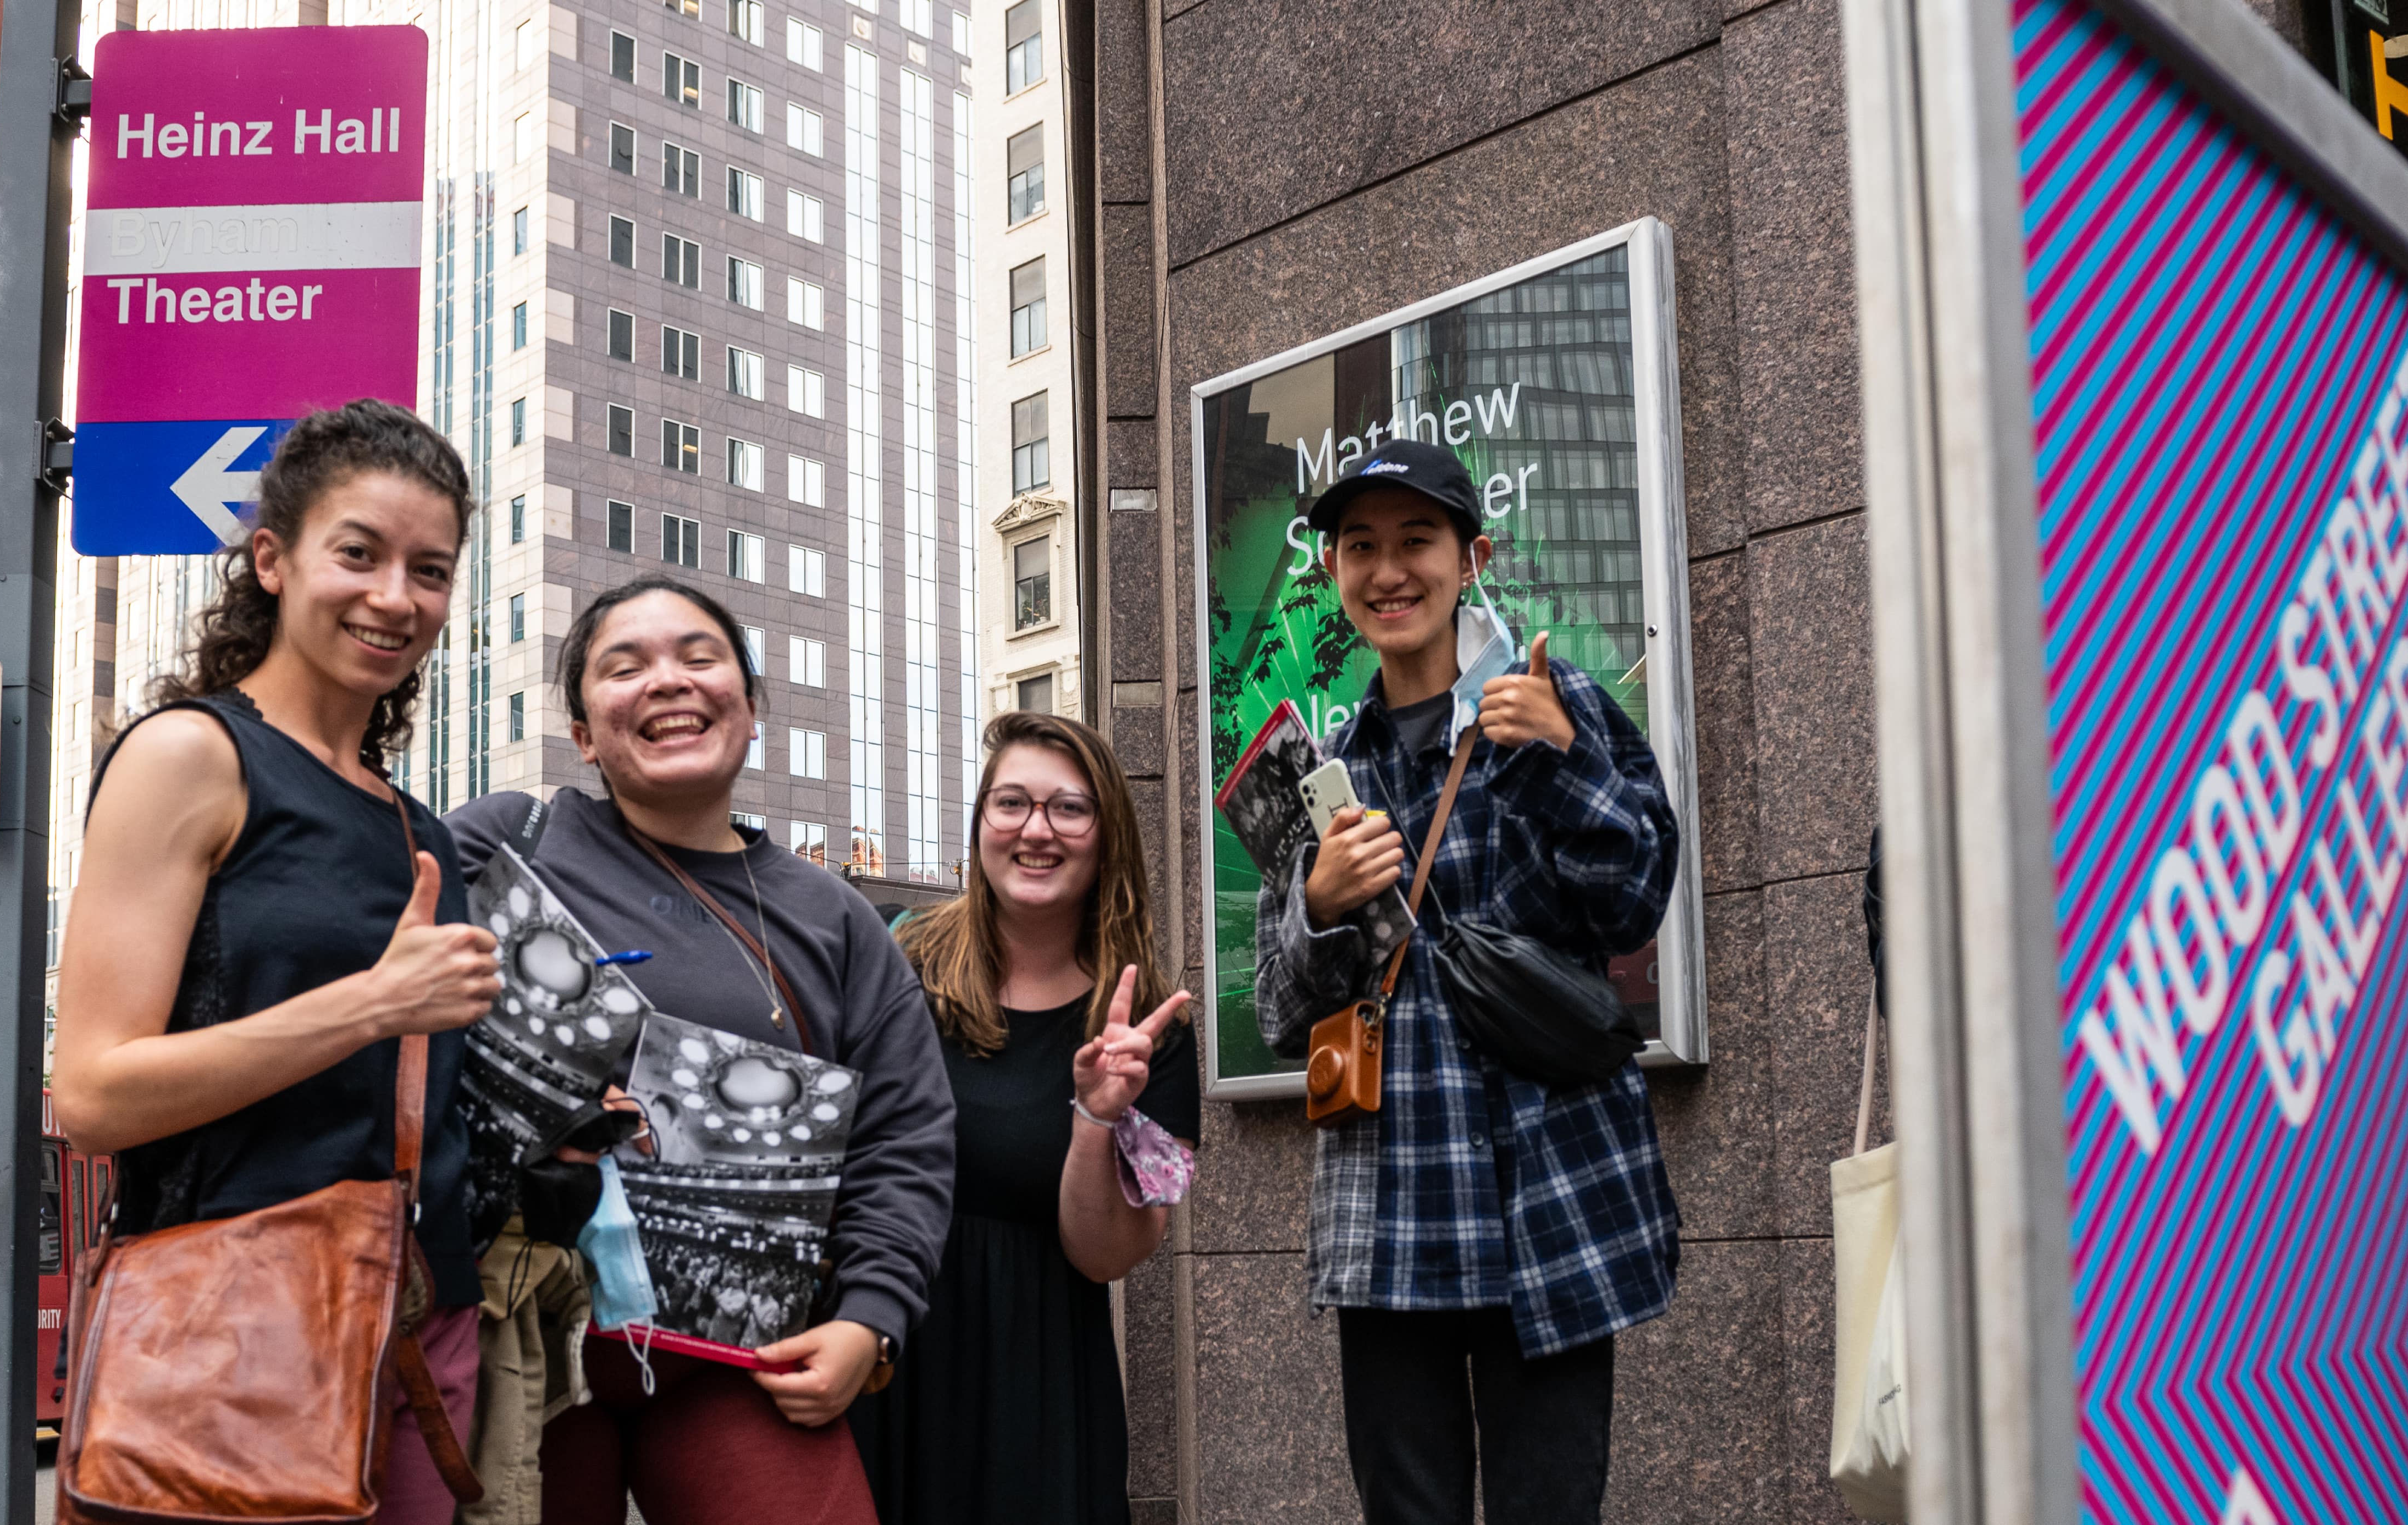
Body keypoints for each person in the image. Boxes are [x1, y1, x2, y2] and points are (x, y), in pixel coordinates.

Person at [53, 401, 501, 1525]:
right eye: (359, 552)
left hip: (415, 1334)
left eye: (431, 570)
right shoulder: (192, 758)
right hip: (234, 1331)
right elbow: (93, 1094)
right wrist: (372, 1004)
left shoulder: (420, 832)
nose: (396, 597)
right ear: (272, 558)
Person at [441, 576, 954, 1525]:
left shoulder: (834, 917)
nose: (668, 682)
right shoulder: (500, 846)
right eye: (625, 666)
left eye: (700, 656)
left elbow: (905, 1134)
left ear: (752, 709)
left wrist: (869, 1321)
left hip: (744, 1357)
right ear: (585, 732)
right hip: (522, 1334)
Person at [1253, 438, 1681, 1525]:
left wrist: (1567, 752)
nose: (1388, 571)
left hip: (1552, 1199)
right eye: (1360, 547)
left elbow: (1631, 903)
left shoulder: (1544, 700)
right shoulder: (1326, 771)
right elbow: (1275, 1010)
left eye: (1416, 542)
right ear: (1334, 573)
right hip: (1392, 1218)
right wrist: (1320, 900)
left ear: (1472, 555)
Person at [849, 711, 1201, 1523]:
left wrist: (1095, 1116)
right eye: (1011, 803)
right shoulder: (896, 960)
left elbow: (1108, 1253)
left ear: (1106, 831)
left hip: (1038, 1390)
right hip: (884, 1353)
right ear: (980, 825)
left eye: (1068, 808)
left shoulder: (1154, 1029)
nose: (1036, 829)